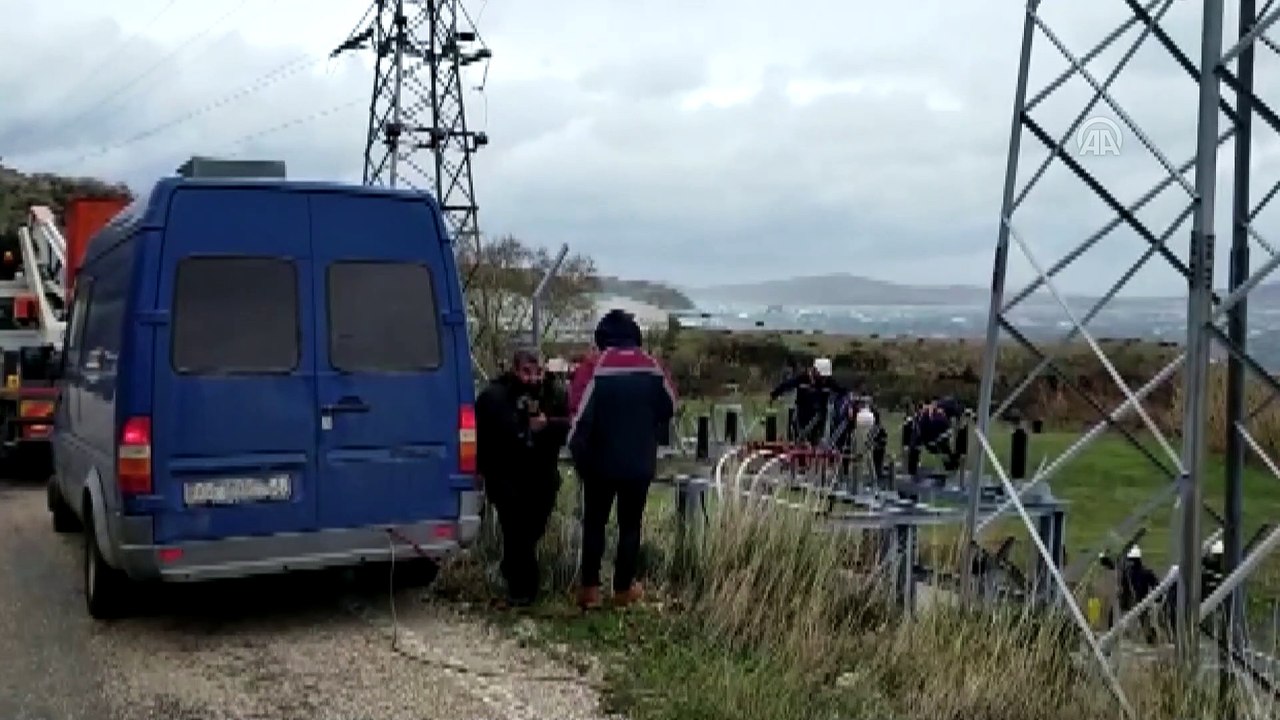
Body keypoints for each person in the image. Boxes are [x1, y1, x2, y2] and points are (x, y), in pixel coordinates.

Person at [567, 309, 677, 610]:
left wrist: (580, 456)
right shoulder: (653, 367)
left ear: (602, 338)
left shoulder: (595, 368)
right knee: (630, 526)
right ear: (635, 336)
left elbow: (578, 417)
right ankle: (623, 589)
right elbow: (670, 406)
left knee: (595, 524)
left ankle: (590, 589)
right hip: (639, 462)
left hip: (599, 462)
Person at [475, 348, 570, 607]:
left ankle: (512, 571)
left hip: (541, 478)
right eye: (526, 372)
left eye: (536, 371)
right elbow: (481, 438)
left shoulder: (552, 395)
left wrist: (546, 425)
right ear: (515, 370)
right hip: (506, 478)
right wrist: (480, 471)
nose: (532, 378)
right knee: (516, 531)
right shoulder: (493, 398)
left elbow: (571, 426)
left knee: (529, 532)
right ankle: (523, 590)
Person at [768, 357, 849, 445]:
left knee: (815, 444)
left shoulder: (829, 383)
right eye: (822, 377)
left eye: (825, 377)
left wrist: (848, 403)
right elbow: (787, 385)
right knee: (798, 442)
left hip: (819, 420)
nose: (824, 380)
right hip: (801, 418)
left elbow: (843, 391)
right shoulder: (802, 379)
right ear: (815, 371)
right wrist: (774, 395)